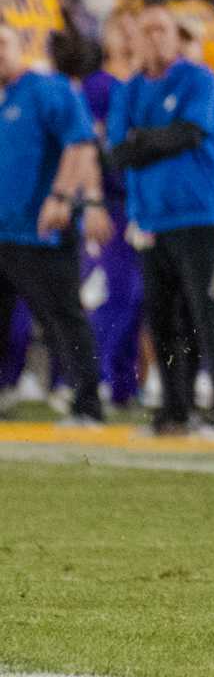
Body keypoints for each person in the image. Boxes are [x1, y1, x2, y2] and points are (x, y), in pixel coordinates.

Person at [108, 4, 214, 436]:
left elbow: (189, 133)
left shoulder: (198, 78)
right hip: (151, 218)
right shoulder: (127, 90)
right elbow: (116, 152)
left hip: (198, 214)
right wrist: (152, 141)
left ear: (176, 36)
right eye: (146, 30)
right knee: (164, 320)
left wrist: (141, 140)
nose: (154, 38)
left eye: (161, 29)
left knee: (210, 314)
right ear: (134, 40)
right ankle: (175, 409)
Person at [0, 24, 108, 423]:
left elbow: (80, 142)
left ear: (22, 45)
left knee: (62, 317)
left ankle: (88, 404)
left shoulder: (47, 88)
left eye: (3, 42)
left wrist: (61, 196)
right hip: (4, 232)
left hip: (40, 231)